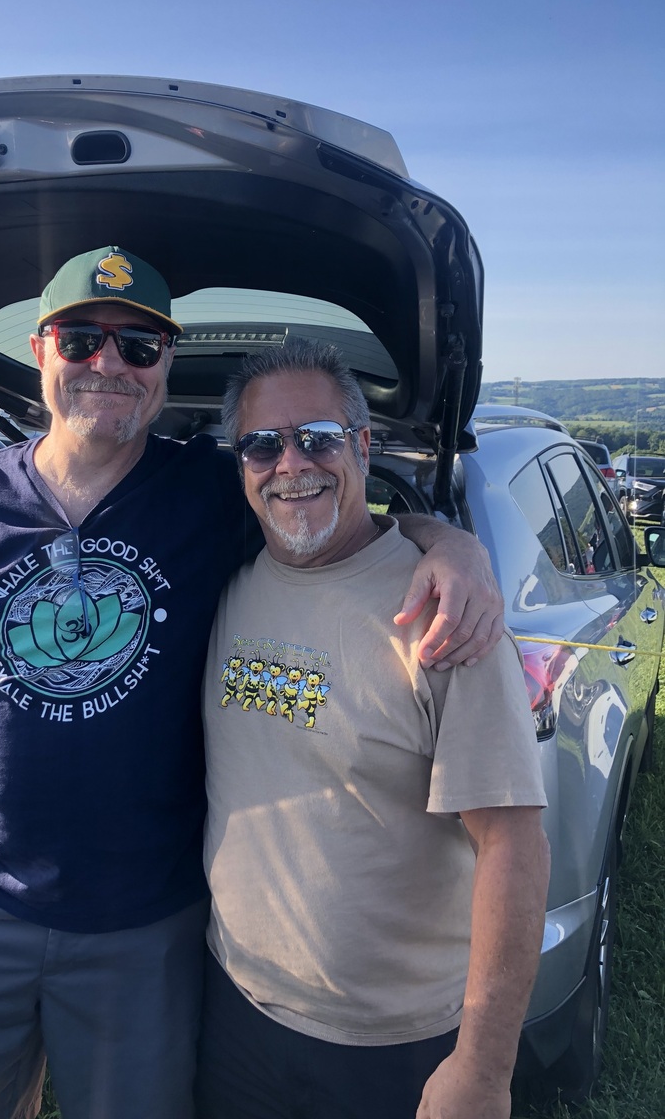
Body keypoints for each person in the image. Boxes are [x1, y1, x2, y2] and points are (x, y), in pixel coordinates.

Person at [0, 247, 507, 1119]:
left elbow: (330, 507)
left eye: (139, 347)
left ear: (165, 365)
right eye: (82, 339)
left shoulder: (210, 490)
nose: (109, 364)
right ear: (41, 349)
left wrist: (451, 545)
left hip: (143, 927)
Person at [196, 339, 550, 1119]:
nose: (291, 463)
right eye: (263, 445)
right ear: (241, 464)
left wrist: (483, 1068)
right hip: (234, 1009)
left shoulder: (446, 617)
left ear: (361, 445)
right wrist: (443, 532)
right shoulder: (227, 581)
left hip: (393, 1047)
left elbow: (514, 845)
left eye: (318, 438)